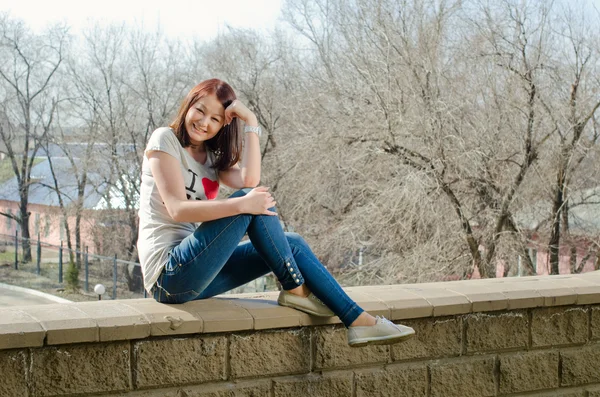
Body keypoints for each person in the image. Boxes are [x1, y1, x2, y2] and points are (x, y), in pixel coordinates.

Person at [137, 78, 415, 347]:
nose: (204, 122)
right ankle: (295, 289)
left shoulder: (209, 157)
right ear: (189, 104)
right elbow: (177, 209)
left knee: (291, 241)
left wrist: (252, 123)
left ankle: (357, 321)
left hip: (196, 275)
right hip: (168, 275)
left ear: (223, 124)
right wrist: (242, 205)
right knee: (248, 200)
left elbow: (249, 178)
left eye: (216, 119)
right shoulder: (165, 139)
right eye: (200, 110)